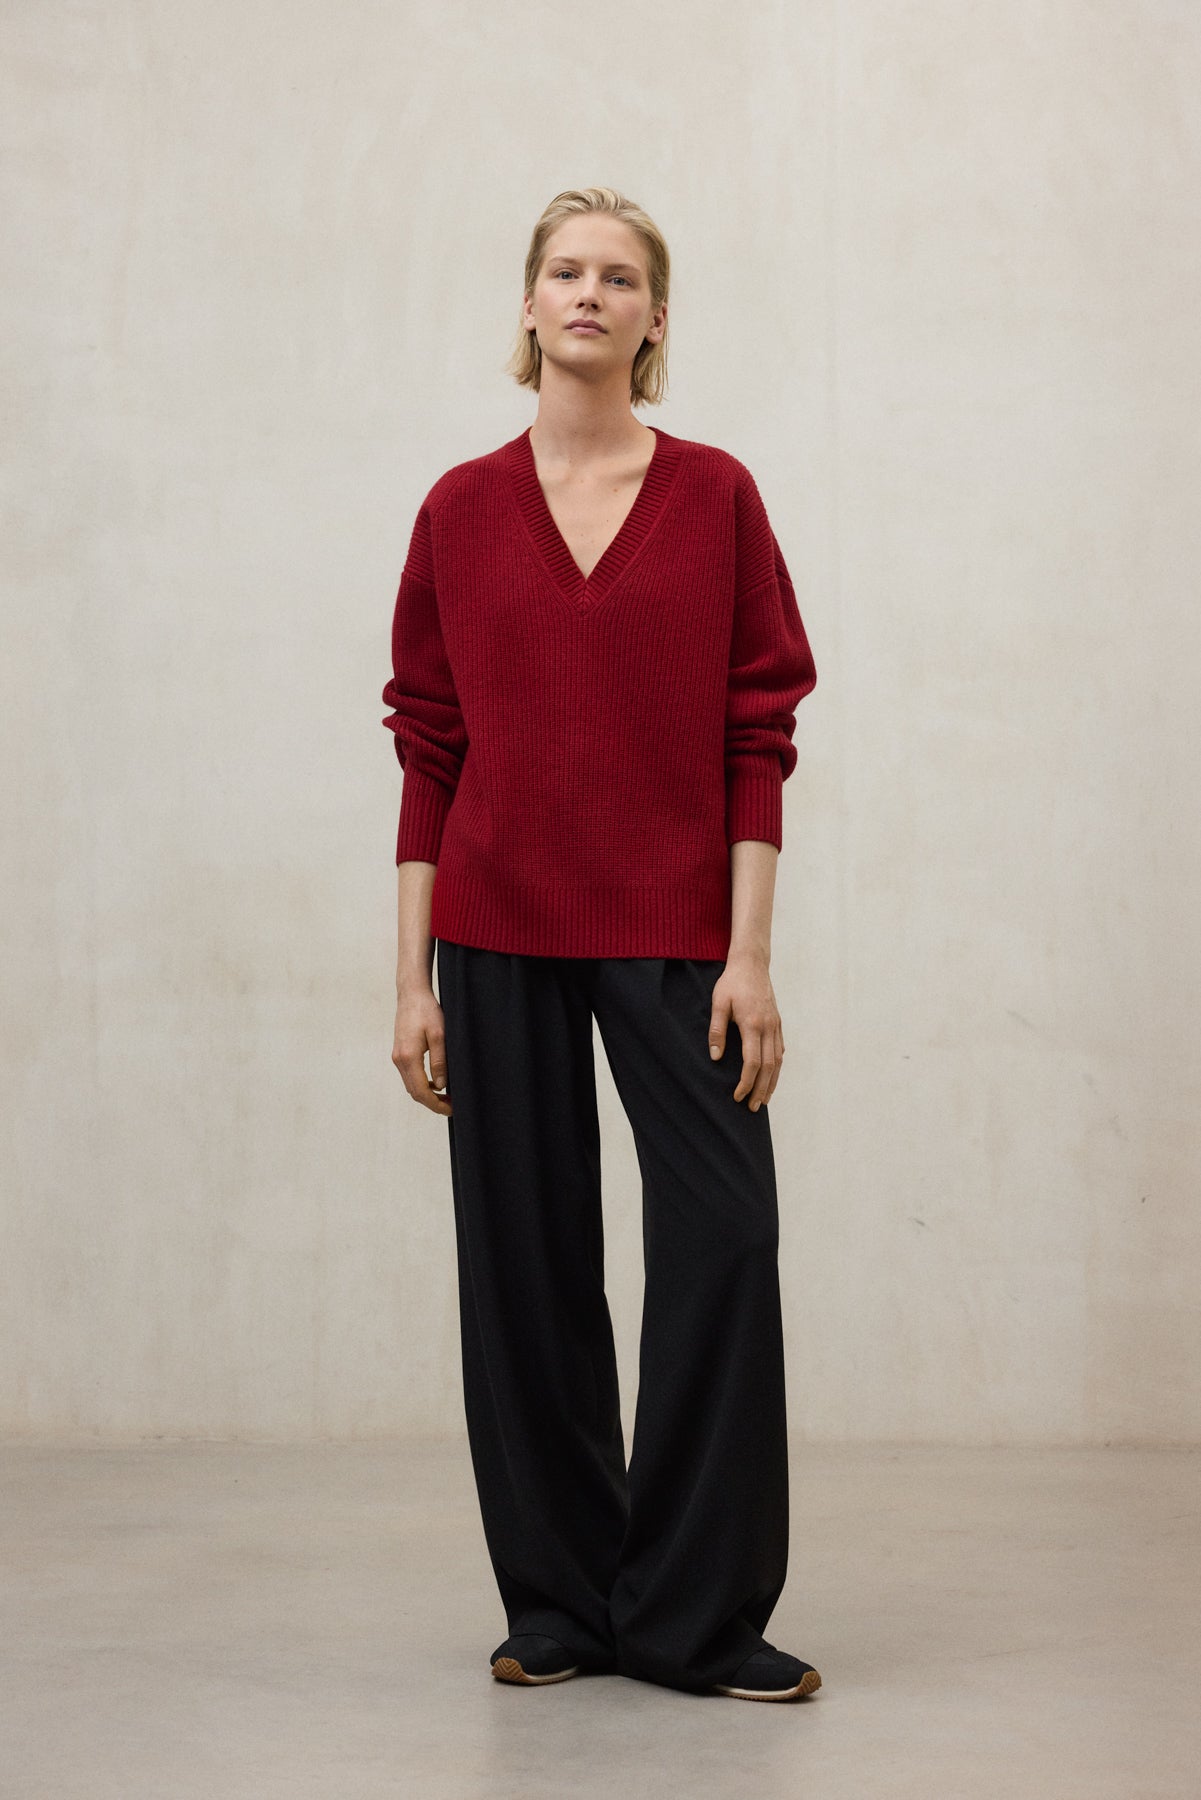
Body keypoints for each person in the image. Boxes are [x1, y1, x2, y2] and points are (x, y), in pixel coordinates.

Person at [382, 186, 820, 1703]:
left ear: (653, 318)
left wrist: (749, 957)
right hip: (495, 927)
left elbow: (757, 732)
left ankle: (695, 1617)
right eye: (564, 271)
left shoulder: (716, 498)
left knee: (724, 1239)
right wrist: (409, 976)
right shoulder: (457, 509)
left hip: (677, 929)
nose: (588, 292)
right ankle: (563, 1603)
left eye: (618, 277)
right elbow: (428, 747)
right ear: (527, 305)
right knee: (527, 1260)